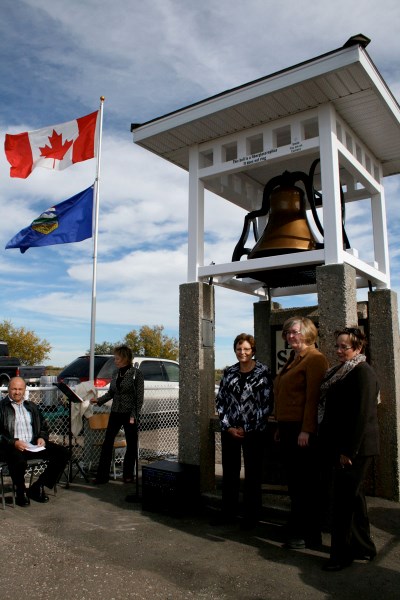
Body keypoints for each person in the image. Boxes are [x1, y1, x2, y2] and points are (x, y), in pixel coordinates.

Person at [318, 327, 379, 571]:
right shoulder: (342, 371)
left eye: (345, 346)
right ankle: (364, 547)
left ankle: (341, 556)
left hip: (356, 449)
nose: (340, 350)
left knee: (343, 502)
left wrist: (348, 451)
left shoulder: (363, 372)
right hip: (345, 446)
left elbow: (361, 416)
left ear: (358, 348)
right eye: (338, 346)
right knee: (354, 500)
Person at [274, 316, 328, 549]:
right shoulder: (294, 359)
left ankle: (307, 534)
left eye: (294, 332)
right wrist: (279, 425)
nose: (290, 336)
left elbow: (313, 399)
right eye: (287, 333)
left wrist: (306, 429)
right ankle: (298, 528)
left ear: (307, 333)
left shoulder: (315, 359)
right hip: (288, 428)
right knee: (295, 484)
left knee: (305, 485)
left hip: (301, 430)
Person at [214, 333, 274, 528]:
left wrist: (247, 428)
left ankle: (252, 516)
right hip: (230, 431)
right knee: (230, 473)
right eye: (239, 349)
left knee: (253, 474)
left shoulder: (263, 372)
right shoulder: (229, 372)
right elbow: (220, 401)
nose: (243, 352)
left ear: (253, 351)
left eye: (247, 349)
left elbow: (267, 404)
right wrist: (228, 427)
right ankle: (228, 512)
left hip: (254, 432)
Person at [0, 376, 69, 507]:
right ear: (8, 389)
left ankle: (37, 487)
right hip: (11, 447)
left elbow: (43, 426)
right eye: (14, 389)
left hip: (32, 445)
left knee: (63, 453)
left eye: (20, 389)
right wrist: (13, 442)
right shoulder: (1, 407)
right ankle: (20, 492)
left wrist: (42, 437)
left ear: (25, 390)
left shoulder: (31, 406)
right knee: (19, 461)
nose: (17, 392)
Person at [91, 345, 144, 484]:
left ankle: (127, 475)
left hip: (129, 414)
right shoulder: (115, 373)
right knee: (107, 443)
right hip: (115, 412)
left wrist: (134, 415)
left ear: (125, 358)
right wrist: (99, 400)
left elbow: (139, 399)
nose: (115, 361)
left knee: (131, 445)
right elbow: (111, 393)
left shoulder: (136, 374)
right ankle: (102, 476)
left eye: (117, 358)